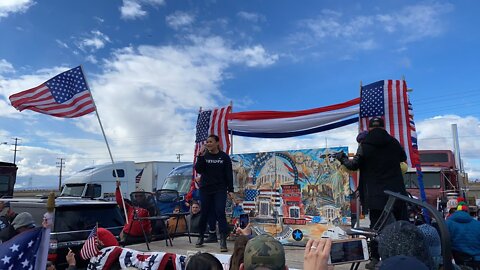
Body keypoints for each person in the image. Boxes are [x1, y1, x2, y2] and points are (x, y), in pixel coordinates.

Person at [335, 117, 408, 269]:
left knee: (376, 230)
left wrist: (342, 158)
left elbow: (353, 165)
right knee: (401, 227)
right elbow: (403, 158)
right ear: (383, 127)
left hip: (376, 197)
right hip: (397, 195)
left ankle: (375, 259)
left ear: (369, 128)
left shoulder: (365, 144)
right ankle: (402, 258)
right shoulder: (394, 142)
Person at [194, 134, 234, 252]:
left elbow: (229, 174)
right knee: (205, 213)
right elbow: (198, 169)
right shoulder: (204, 156)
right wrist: (199, 156)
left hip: (220, 189)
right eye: (207, 142)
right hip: (205, 189)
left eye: (211, 141)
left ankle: (222, 239)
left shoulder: (224, 157)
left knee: (220, 212)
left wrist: (230, 190)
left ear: (217, 143)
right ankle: (201, 236)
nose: (208, 143)